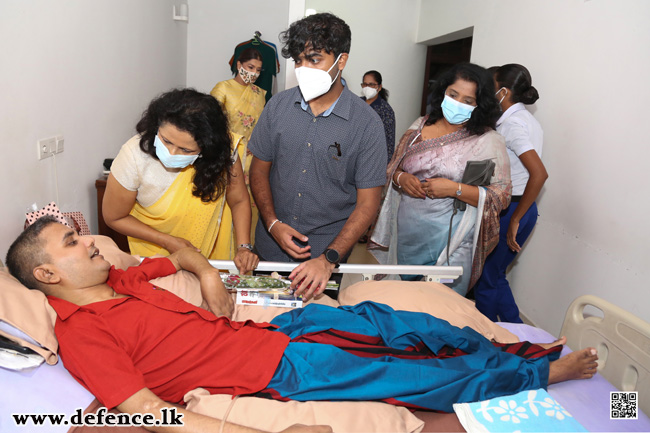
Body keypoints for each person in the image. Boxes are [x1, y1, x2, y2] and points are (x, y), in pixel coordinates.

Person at [5, 217, 599, 433]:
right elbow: (148, 411)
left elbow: (183, 253)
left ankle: (512, 344)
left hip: (265, 331)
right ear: (48, 276)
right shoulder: (84, 334)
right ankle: (541, 373)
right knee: (411, 377)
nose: (91, 242)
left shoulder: (121, 280)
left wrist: (210, 279)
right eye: (72, 242)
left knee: (386, 318)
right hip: (272, 367)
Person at [248, 13, 387, 299]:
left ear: (341, 61)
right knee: (262, 331)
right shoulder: (277, 107)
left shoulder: (367, 124)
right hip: (269, 248)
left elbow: (368, 204)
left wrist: (328, 259)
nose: (303, 69)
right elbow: (259, 170)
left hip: (325, 259)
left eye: (314, 60)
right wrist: (272, 223)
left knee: (314, 337)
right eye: (298, 61)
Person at [370, 63, 511, 296]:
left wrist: (454, 189)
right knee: (402, 298)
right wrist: (401, 178)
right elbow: (393, 168)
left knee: (437, 304)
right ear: (443, 92)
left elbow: (502, 195)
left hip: (452, 241)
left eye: (468, 100)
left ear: (480, 105)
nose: (457, 103)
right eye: (453, 95)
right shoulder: (420, 125)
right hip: (407, 235)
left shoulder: (488, 141)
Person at [103, 89, 259, 274]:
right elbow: (114, 216)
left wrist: (243, 247)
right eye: (166, 141)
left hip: (211, 255)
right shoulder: (133, 156)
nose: (172, 153)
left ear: (207, 149)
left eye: (186, 150)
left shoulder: (224, 152)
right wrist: (167, 240)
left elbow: (239, 199)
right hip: (155, 257)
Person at [474, 64, 548, 323]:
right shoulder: (525, 120)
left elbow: (539, 174)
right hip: (518, 207)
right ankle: (520, 337)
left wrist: (515, 218)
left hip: (514, 209)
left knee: (486, 278)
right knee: (494, 276)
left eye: (491, 87)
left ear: (503, 92)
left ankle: (484, 340)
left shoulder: (513, 125)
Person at [210, 48, 266, 248]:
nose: (254, 73)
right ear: (239, 65)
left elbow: (263, 126)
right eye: (250, 67)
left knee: (251, 206)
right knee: (226, 206)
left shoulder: (259, 94)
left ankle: (247, 251)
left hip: (253, 157)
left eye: (258, 70)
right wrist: (233, 145)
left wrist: (257, 144)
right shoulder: (223, 88)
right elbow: (211, 122)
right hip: (229, 155)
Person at [360, 70, 396, 162]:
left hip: (373, 158)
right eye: (365, 84)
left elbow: (389, 140)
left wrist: (386, 164)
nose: (367, 87)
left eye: (371, 85)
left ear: (379, 87)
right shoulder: (356, 103)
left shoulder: (386, 110)